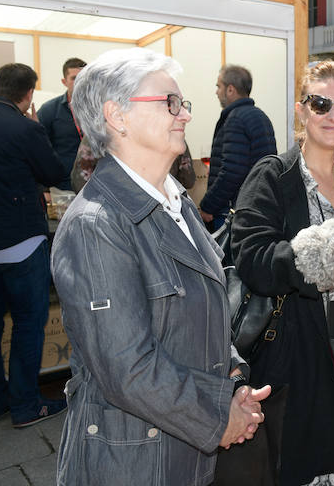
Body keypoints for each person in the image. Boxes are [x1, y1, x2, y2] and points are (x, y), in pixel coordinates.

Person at [51, 48, 268, 485]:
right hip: (133, 463)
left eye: (183, 103)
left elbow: (204, 316)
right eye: (169, 102)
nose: (185, 114)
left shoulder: (176, 201)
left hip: (183, 452)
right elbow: (127, 368)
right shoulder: (97, 223)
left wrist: (234, 380)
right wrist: (217, 416)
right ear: (117, 116)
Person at [230, 60, 334, 486]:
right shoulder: (272, 177)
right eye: (320, 103)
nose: (333, 115)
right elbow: (252, 259)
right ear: (301, 111)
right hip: (295, 355)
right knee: (302, 467)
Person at [0, 63, 69, 427]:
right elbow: (55, 175)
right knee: (27, 323)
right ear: (28, 95)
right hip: (21, 243)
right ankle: (26, 406)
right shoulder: (26, 127)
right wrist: (37, 129)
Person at [200, 65, 276, 231]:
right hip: (257, 208)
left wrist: (207, 206)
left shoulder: (235, 119)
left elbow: (232, 172)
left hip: (232, 213)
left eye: (218, 86)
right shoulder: (260, 116)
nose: (216, 92)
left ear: (230, 89)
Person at [69, 133, 196, 193]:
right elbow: (188, 180)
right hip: (164, 212)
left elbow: (80, 183)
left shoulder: (98, 134)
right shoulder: (174, 135)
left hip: (112, 217)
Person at [37, 57, 87, 191]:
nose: (79, 82)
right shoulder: (49, 110)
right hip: (64, 187)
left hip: (96, 183)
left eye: (83, 77)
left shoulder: (100, 109)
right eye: (74, 78)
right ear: (64, 82)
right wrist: (43, 189)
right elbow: (38, 150)